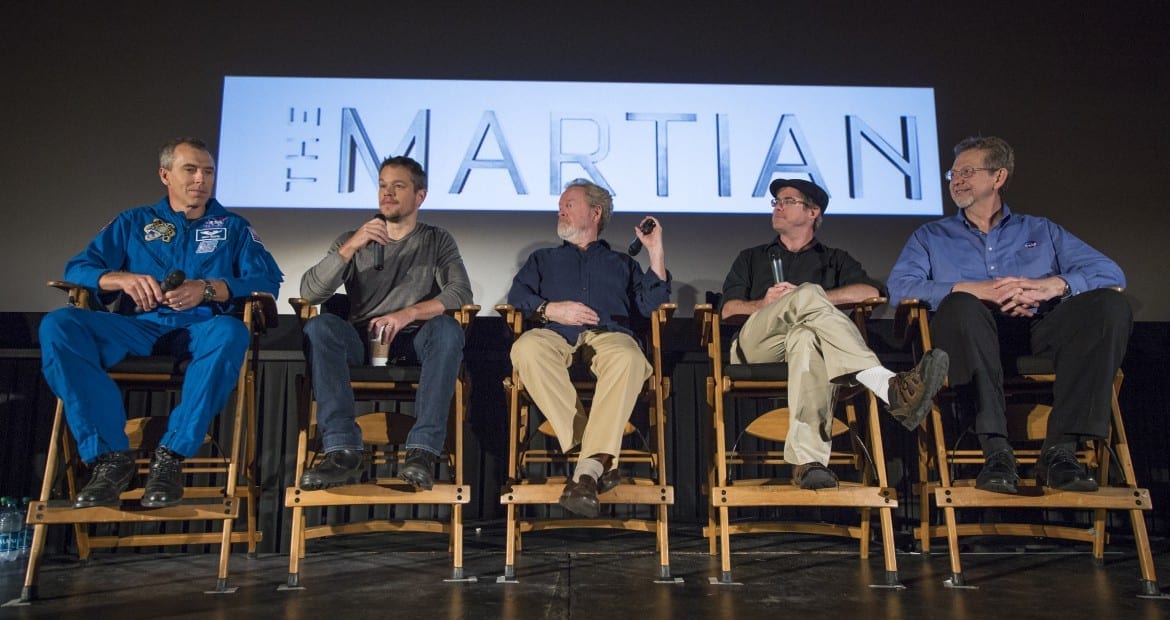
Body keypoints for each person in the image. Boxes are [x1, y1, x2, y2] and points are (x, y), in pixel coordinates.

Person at [39, 137, 283, 509]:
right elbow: (78, 268)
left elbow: (267, 280)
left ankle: (171, 457)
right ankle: (111, 460)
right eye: (190, 170)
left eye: (208, 171)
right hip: (137, 328)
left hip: (200, 331)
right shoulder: (134, 221)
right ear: (165, 175)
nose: (201, 179)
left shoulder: (232, 227)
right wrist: (120, 279)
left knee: (233, 330)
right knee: (59, 326)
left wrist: (209, 289)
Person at [888, 136, 1130, 494]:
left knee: (1110, 305)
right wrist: (972, 289)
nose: (956, 180)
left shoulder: (1040, 230)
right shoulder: (931, 236)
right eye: (953, 173)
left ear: (998, 177)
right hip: (969, 337)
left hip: (1038, 328)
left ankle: (1062, 450)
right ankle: (997, 452)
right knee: (961, 305)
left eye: (967, 171)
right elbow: (900, 288)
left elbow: (1112, 274)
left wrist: (1052, 285)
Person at [720, 178, 949, 489]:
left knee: (806, 337)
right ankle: (886, 385)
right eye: (775, 202)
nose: (777, 206)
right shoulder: (751, 257)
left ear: (813, 211)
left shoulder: (834, 259)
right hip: (757, 347)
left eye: (787, 200)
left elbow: (870, 291)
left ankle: (808, 462)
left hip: (809, 349)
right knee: (806, 296)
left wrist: (811, 297)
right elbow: (728, 310)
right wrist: (767, 302)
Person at [298, 155, 472, 491]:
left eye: (398, 186)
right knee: (319, 327)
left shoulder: (436, 240)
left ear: (420, 196)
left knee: (448, 330)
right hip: (362, 339)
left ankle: (422, 451)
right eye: (382, 186)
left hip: (414, 337)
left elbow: (460, 292)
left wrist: (407, 314)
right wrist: (350, 247)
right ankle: (342, 449)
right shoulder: (354, 238)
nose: (387, 193)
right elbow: (310, 292)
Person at [506, 178, 669, 517]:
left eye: (569, 204)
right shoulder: (543, 259)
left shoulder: (622, 264)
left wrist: (654, 250)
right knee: (526, 348)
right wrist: (551, 309)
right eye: (560, 205)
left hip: (607, 334)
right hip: (556, 333)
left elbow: (652, 305)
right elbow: (518, 298)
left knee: (629, 358)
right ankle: (595, 459)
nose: (560, 210)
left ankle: (587, 469)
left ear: (595, 213)